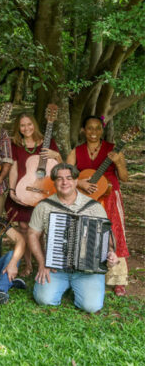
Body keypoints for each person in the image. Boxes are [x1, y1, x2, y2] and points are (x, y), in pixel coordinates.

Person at [28, 164, 119, 313]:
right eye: (60, 179)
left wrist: (110, 252)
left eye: (69, 178)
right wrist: (42, 262)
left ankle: (81, 286)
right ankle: (65, 285)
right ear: (54, 182)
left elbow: (107, 236)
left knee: (91, 307)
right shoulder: (44, 206)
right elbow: (32, 234)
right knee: (44, 299)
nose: (65, 182)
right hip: (55, 268)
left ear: (76, 181)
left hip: (87, 270)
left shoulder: (94, 207)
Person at [67, 116, 130, 296]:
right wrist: (80, 184)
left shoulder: (113, 149)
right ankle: (87, 273)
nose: (93, 132)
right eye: (89, 128)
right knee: (86, 233)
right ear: (83, 130)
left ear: (102, 130)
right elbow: (66, 174)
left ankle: (117, 279)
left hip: (110, 197)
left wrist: (117, 162)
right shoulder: (76, 151)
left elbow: (124, 178)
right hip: (87, 197)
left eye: (97, 128)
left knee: (115, 233)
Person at [7, 112, 62, 277]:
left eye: (29, 124)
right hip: (24, 191)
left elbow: (60, 167)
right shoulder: (15, 144)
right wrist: (11, 190)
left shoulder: (48, 142)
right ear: (18, 128)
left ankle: (45, 263)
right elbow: (14, 168)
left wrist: (57, 155)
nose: (26, 128)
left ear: (35, 125)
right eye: (22, 125)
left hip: (44, 192)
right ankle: (28, 264)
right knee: (23, 228)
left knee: (42, 229)